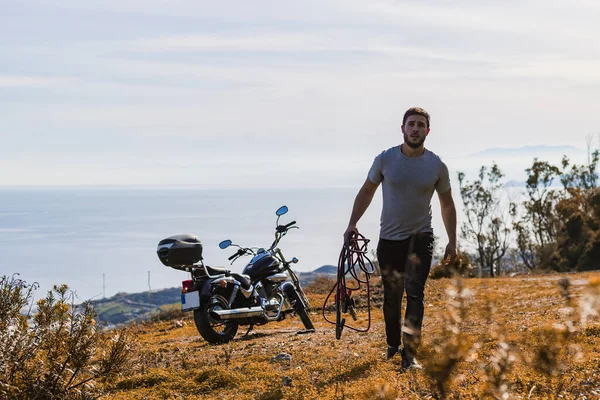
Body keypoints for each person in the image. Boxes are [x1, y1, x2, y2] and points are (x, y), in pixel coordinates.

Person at [344, 107, 457, 369]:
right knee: (392, 298)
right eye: (411, 124)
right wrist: (352, 223)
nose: (415, 129)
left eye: (420, 125)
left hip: (421, 238)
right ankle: (393, 344)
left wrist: (452, 240)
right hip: (390, 240)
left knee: (415, 293)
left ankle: (410, 355)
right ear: (403, 128)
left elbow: (447, 205)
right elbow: (366, 192)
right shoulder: (385, 160)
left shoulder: (437, 166)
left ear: (428, 131)